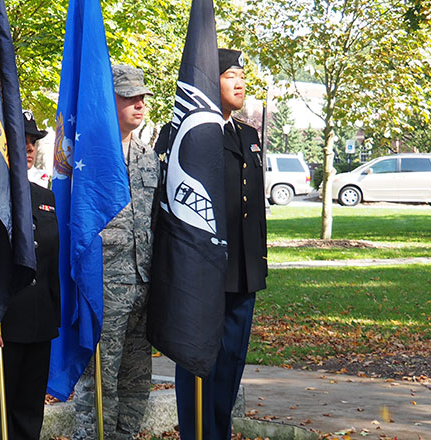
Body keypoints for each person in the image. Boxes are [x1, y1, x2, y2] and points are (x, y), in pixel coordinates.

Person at [171, 48, 267, 440]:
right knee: (198, 362)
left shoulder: (248, 134)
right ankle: (197, 434)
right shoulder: (193, 134)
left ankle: (219, 433)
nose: (241, 82)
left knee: (230, 364)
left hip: (243, 271)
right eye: (230, 76)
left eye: (243, 75)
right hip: (205, 269)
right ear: (212, 82)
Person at [71, 64, 157, 440]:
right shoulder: (89, 158)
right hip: (104, 287)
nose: (139, 105)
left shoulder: (148, 157)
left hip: (143, 285)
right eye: (130, 98)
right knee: (99, 383)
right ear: (111, 100)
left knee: (137, 381)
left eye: (142, 98)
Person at [0, 110, 60, 440]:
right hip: (0, 324)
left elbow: (50, 266)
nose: (30, 148)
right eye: (22, 141)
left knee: (28, 415)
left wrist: (53, 317)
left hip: (38, 325)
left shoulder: (45, 199)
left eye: (33, 142)